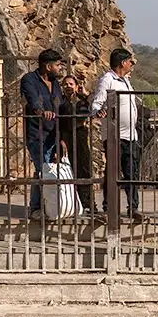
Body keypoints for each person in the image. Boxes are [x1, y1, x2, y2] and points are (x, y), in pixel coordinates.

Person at [90, 47, 141, 219]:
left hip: (130, 135)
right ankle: (109, 207)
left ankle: (133, 207)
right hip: (114, 136)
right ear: (122, 63)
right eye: (129, 62)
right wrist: (98, 112)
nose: (131, 65)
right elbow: (97, 102)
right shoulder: (107, 80)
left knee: (131, 172)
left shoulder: (125, 80)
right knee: (113, 172)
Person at [19, 48, 65, 218]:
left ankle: (42, 206)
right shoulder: (29, 80)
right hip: (37, 133)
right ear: (48, 66)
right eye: (58, 65)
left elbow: (61, 105)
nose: (60, 69)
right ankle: (36, 209)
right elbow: (31, 100)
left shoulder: (56, 84)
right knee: (42, 168)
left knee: (45, 170)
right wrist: (41, 111)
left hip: (54, 133)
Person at [60, 74, 101, 215]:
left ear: (76, 87)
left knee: (84, 170)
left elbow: (88, 113)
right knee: (69, 171)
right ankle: (72, 205)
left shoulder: (81, 102)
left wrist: (85, 96)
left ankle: (89, 204)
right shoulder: (60, 103)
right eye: (65, 84)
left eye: (71, 84)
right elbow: (60, 123)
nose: (68, 86)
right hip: (66, 138)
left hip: (81, 138)